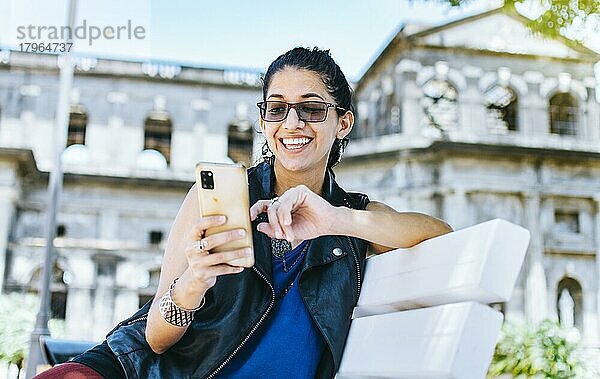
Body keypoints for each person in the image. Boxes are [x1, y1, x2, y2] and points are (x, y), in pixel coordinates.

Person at [35, 47, 452, 379]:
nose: (292, 122)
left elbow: (442, 235)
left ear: (342, 123)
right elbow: (156, 341)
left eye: (311, 108)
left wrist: (334, 219)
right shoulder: (214, 197)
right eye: (276, 108)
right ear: (264, 120)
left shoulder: (357, 219)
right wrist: (193, 282)